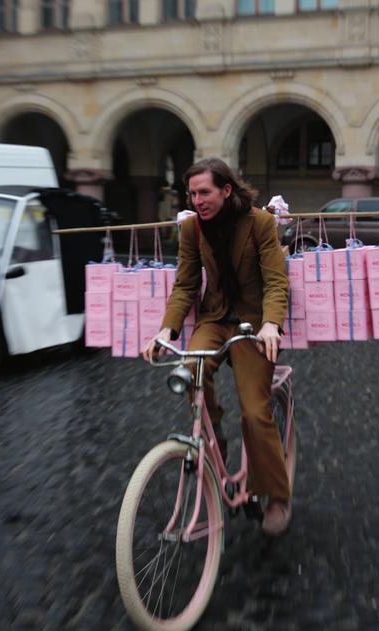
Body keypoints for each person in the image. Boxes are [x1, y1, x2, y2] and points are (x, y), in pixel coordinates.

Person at [143, 158, 291, 536]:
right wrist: (166, 331)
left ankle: (275, 496)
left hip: (253, 325)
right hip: (214, 319)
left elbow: (276, 281)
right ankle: (214, 435)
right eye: (192, 193)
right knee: (189, 370)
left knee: (256, 412)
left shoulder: (259, 223)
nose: (197, 200)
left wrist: (272, 324)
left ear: (226, 190)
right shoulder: (192, 228)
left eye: (204, 192)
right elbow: (185, 285)